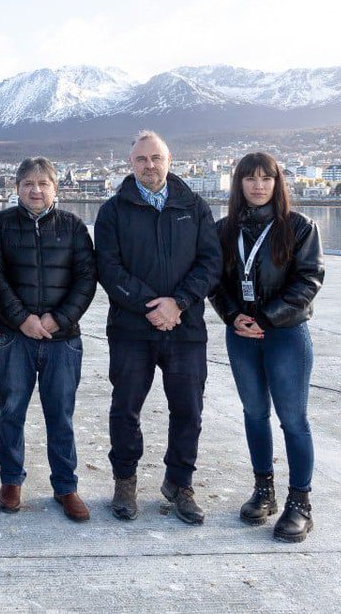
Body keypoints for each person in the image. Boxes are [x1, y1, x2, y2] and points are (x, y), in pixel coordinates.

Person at [94, 130, 220, 525]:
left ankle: (179, 483)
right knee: (126, 408)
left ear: (169, 160)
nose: (149, 166)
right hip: (132, 329)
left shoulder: (194, 206)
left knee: (188, 410)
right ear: (130, 164)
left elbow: (210, 263)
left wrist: (178, 302)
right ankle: (125, 480)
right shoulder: (113, 211)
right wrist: (151, 305)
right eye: (141, 160)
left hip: (185, 330)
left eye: (155, 158)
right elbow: (108, 269)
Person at [210, 152, 324, 543]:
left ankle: (300, 503)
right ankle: (264, 490)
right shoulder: (224, 230)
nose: (258, 186)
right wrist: (232, 316)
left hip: (286, 334)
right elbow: (215, 282)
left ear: (277, 184)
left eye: (266, 178)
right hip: (241, 334)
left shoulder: (300, 227)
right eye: (250, 178)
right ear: (238, 184)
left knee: (293, 419)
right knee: (254, 413)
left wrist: (268, 317)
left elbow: (309, 280)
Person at [0, 157, 97, 521]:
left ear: (55, 188)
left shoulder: (73, 227)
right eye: (28, 183)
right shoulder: (1, 225)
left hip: (62, 339)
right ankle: (11, 480)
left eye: (43, 183)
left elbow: (85, 279)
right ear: (16, 187)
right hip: (13, 337)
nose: (36, 190)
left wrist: (57, 318)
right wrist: (22, 320)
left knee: (60, 414)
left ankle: (66, 486)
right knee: (12, 410)